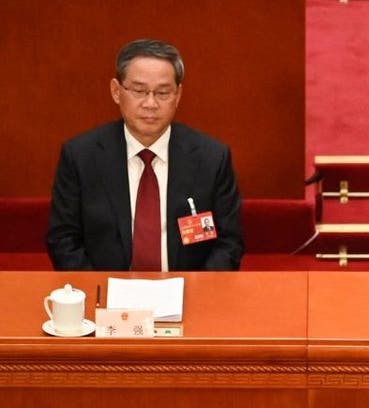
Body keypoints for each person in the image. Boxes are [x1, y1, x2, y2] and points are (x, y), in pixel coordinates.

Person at [46, 39, 244, 271]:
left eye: (163, 92)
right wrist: (100, 292)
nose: (150, 104)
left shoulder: (212, 158)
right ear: (116, 91)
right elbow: (63, 239)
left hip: (188, 293)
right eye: (139, 91)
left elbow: (229, 243)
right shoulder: (80, 156)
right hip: (106, 295)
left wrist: (196, 293)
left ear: (178, 95)